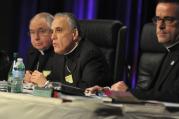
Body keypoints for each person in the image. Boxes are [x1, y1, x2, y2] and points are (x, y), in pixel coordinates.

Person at [86, 0, 179, 102]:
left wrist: (128, 91)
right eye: (157, 19)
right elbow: (149, 94)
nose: (160, 26)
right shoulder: (169, 53)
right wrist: (105, 92)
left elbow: (173, 97)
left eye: (168, 19)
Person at [31, 12, 112, 91]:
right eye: (52, 32)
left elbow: (87, 91)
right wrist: (34, 80)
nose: (52, 37)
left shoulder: (90, 55)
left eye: (58, 30)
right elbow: (52, 80)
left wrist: (47, 85)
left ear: (74, 34)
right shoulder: (60, 54)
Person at [24, 12, 56, 87]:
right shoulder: (32, 51)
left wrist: (46, 83)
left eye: (42, 31)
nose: (36, 38)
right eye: (32, 32)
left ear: (53, 32)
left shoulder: (61, 53)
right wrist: (26, 79)